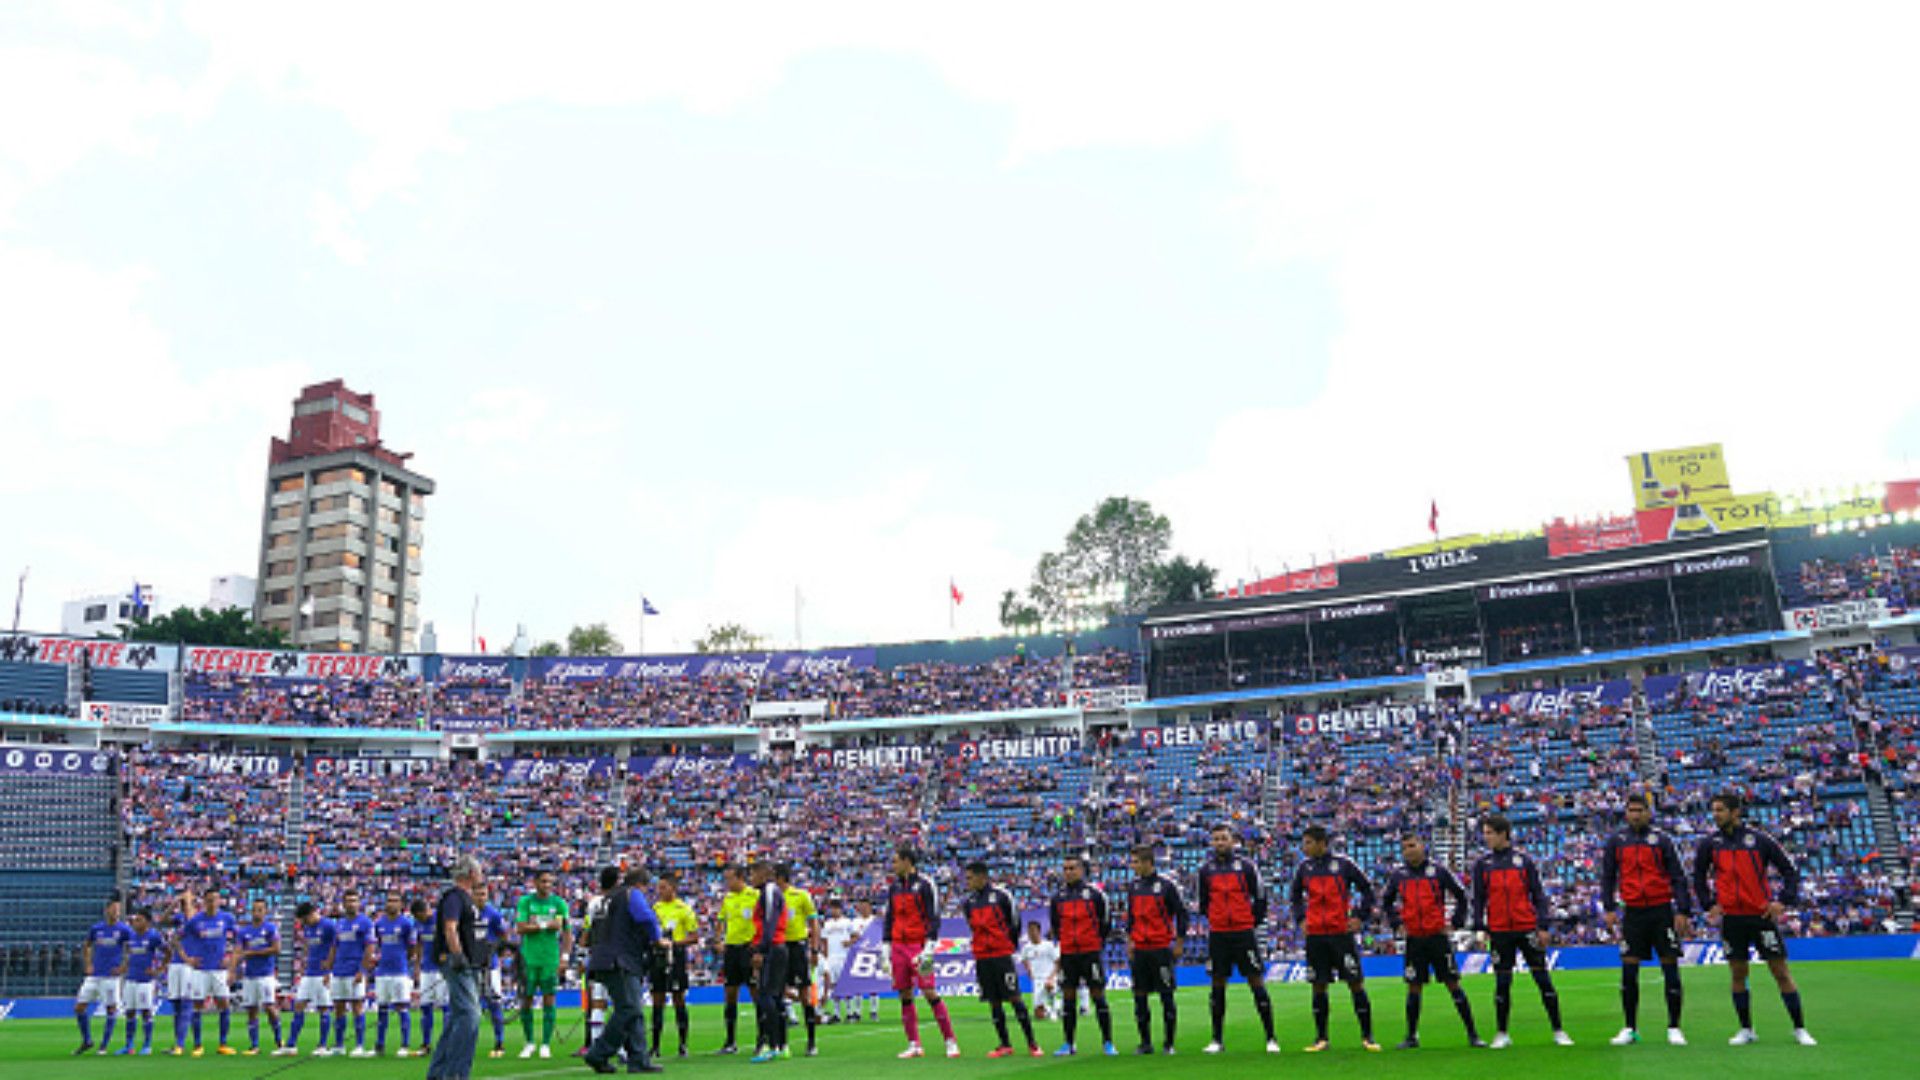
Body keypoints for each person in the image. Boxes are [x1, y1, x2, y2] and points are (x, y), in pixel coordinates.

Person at [1692, 791, 1817, 1046]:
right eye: (1714, 810)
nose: (1715, 815)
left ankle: (1799, 1028)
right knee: (1738, 973)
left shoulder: (1760, 840)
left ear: (1735, 812)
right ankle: (1746, 1029)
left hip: (1761, 917)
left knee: (1780, 972)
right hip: (1732, 920)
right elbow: (1697, 877)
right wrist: (1708, 904)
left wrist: (1782, 901)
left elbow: (1790, 872)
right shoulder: (1710, 844)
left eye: (1720, 810)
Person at [1600, 792, 1694, 1047]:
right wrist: (1608, 907)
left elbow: (1678, 877)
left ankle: (1674, 1027)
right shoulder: (1617, 841)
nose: (1636, 814)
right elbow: (1607, 877)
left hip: (1661, 911)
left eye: (1640, 810)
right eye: (1631, 810)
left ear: (1648, 812)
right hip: (1633, 913)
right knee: (1629, 971)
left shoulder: (1662, 840)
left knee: (1670, 968)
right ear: (1626, 813)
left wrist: (1683, 910)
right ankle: (1630, 1028)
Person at [1470, 815, 1571, 1048]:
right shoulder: (1482, 865)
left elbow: (1538, 895)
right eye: (1484, 833)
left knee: (1543, 980)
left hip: (1526, 927)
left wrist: (1543, 926)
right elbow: (1478, 899)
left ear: (1503, 833)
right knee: (1502, 983)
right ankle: (1502, 1033)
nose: (1485, 838)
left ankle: (1558, 1030)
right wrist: (1480, 926)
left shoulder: (1524, 861)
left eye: (1489, 833)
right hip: (1499, 930)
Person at [1380, 834, 1483, 1049]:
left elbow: (1462, 896)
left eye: (1412, 845)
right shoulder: (1399, 875)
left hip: (1437, 937)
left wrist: (1455, 922)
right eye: (1405, 847)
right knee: (1414, 986)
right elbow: (1387, 902)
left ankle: (1473, 1034)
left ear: (1422, 846)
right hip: (1414, 939)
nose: (1409, 850)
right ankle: (1411, 1036)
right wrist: (1396, 922)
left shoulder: (1438, 871)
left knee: (1453, 983)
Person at [1290, 825, 1380, 1053]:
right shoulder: (1304, 868)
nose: (1304, 847)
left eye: (1308, 842)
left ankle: (1367, 1037)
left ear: (1322, 843)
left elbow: (1368, 890)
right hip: (1316, 936)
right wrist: (1301, 919)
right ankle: (1321, 1038)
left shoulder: (1343, 864)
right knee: (1318, 986)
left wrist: (1360, 916)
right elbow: (1295, 897)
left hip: (1341, 934)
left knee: (1355, 983)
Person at [1196, 823, 1280, 1054]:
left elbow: (1261, 897)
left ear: (1233, 841)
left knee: (1256, 981)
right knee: (1217, 984)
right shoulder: (1206, 870)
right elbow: (1203, 903)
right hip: (1219, 935)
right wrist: (1217, 919)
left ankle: (1271, 1038)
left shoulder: (1246, 866)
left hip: (1244, 933)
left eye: (1224, 838)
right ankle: (1216, 1040)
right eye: (1216, 839)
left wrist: (1251, 921)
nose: (1220, 842)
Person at [582, 866, 664, 1075]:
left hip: (605, 959)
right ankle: (598, 1053)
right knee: (629, 1009)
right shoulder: (631, 894)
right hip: (620, 961)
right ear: (640, 884)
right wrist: (658, 938)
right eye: (647, 888)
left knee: (633, 1009)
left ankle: (638, 1059)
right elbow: (646, 917)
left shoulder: (610, 898)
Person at [883, 846, 959, 1059]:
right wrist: (885, 947)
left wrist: (929, 947)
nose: (893, 865)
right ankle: (914, 1043)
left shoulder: (926, 884)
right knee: (904, 994)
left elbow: (934, 917)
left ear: (907, 861)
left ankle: (950, 1040)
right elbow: (890, 918)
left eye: (896, 861)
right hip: (898, 945)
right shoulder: (894, 886)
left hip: (919, 945)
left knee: (929, 992)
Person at [962, 862, 1041, 1059]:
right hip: (982, 956)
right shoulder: (968, 902)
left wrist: (1007, 946)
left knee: (1014, 998)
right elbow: (971, 926)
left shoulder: (1001, 896)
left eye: (970, 877)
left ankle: (1032, 1043)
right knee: (993, 1001)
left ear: (982, 877)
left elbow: (1015, 923)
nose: (967, 881)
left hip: (1001, 955)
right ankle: (1005, 1044)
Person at [1125, 845, 1188, 1056]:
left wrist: (1179, 943)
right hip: (1140, 950)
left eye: (1135, 862)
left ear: (1147, 863)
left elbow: (1182, 914)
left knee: (1166, 996)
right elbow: (1131, 918)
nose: (1132, 866)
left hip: (1161, 948)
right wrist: (1129, 942)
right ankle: (1145, 1043)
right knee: (1139, 997)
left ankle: (1169, 1044)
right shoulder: (1133, 888)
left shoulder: (1166, 886)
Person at [1050, 854, 1116, 1056]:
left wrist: (1095, 943)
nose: (1068, 872)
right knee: (1068, 998)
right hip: (1068, 954)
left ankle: (1107, 1042)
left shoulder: (1095, 894)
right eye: (1065, 868)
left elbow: (1106, 923)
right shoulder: (1058, 897)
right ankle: (1068, 1043)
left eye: (1072, 868)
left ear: (1081, 870)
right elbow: (1055, 925)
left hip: (1090, 953)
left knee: (1098, 996)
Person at [427, 855, 485, 1080]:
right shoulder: (455, 898)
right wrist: (458, 954)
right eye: (479, 871)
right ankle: (457, 1072)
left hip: (465, 962)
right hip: (458, 964)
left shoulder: (464, 899)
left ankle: (439, 1072)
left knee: (457, 1018)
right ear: (471, 874)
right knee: (470, 1015)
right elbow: (450, 928)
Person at [514, 870, 572, 1059]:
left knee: (549, 999)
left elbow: (566, 932)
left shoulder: (559, 903)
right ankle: (529, 1042)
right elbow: (521, 928)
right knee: (526, 1000)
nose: (547, 885)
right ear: (536, 882)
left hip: (550, 958)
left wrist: (564, 958)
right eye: (544, 881)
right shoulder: (526, 902)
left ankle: (545, 1044)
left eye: (550, 882)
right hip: (528, 959)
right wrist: (546, 925)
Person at [185, 888, 239, 1056]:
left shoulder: (227, 918)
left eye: (215, 899)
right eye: (209, 900)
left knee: (224, 1004)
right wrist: (188, 958)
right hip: (200, 969)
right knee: (198, 1005)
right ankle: (197, 1045)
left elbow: (239, 940)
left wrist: (230, 959)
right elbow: (178, 939)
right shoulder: (195, 921)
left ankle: (222, 1043)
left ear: (219, 901)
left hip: (219, 969)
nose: (212, 903)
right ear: (204, 902)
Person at [776, 864, 822, 1057]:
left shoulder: (801, 896)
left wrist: (814, 948)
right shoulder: (772, 898)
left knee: (804, 994)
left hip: (797, 947)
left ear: (781, 878)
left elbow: (813, 922)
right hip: (778, 948)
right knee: (778, 993)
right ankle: (782, 1042)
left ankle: (811, 1041)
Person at [650, 872, 697, 1059]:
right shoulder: (655, 908)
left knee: (679, 999)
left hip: (676, 956)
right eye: (659, 887)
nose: (660, 891)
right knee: (657, 1000)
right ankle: (655, 1046)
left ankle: (683, 1044)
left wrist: (675, 943)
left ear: (673, 888)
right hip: (658, 956)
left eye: (664, 887)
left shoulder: (684, 909)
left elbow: (694, 936)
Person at [75, 898, 131, 1055]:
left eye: (118, 909)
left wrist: (124, 967)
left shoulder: (124, 930)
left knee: (111, 1009)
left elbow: (133, 947)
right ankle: (87, 1040)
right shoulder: (97, 928)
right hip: (95, 975)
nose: (116, 912)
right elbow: (86, 945)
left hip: (111, 976)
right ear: (107, 910)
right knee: (79, 1007)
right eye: (114, 909)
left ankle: (104, 1045)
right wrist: (88, 964)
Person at [748, 860, 790, 1064]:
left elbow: (770, 922)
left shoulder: (770, 891)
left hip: (773, 948)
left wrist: (761, 950)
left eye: (753, 874)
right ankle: (781, 1045)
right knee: (775, 996)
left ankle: (772, 1045)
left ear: (764, 873)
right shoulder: (768, 892)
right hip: (776, 948)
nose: (751, 879)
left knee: (766, 996)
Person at [715, 864, 758, 1054]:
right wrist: (718, 940)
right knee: (730, 994)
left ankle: (762, 1038)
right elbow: (721, 920)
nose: (727, 883)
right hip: (731, 950)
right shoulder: (728, 898)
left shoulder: (755, 896)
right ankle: (730, 1041)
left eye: (730, 878)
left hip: (749, 949)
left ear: (741, 877)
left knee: (756, 993)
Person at [329, 889, 376, 1057]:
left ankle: (359, 1045)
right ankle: (339, 1045)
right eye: (348, 900)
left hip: (355, 970)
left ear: (359, 903)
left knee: (357, 1006)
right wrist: (329, 967)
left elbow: (370, 947)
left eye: (354, 900)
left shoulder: (365, 923)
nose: (351, 903)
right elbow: (335, 947)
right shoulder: (340, 924)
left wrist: (363, 970)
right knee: (339, 1008)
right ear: (343, 903)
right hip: (339, 970)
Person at [235, 898, 285, 1055]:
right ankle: (254, 1045)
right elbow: (238, 950)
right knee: (251, 1010)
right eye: (254, 909)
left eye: (260, 909)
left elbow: (277, 949)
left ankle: (279, 1040)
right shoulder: (244, 932)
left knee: (269, 1007)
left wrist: (253, 953)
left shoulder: (270, 928)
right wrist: (234, 966)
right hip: (249, 975)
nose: (257, 912)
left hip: (265, 975)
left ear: (265, 911)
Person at [373, 892, 420, 1056]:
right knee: (382, 1008)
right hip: (382, 971)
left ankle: (405, 1044)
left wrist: (404, 960)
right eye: (389, 901)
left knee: (402, 1007)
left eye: (395, 901)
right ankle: (379, 1044)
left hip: (400, 971)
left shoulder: (407, 924)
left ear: (401, 904)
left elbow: (412, 947)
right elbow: (378, 944)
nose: (391, 904)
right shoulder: (379, 923)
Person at [287, 902, 336, 1056]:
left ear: (310, 914)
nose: (303, 923)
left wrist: (330, 969)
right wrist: (304, 961)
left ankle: (322, 1045)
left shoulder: (329, 926)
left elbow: (337, 947)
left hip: (324, 973)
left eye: (303, 919)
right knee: (299, 1004)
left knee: (323, 1008)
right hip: (309, 972)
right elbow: (308, 945)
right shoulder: (308, 928)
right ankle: (291, 1045)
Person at [472, 882, 513, 1058]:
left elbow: (505, 935)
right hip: (471, 965)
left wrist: (498, 952)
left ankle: (499, 1041)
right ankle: (468, 1042)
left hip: (491, 966)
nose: (480, 898)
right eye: (477, 894)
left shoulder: (494, 914)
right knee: (471, 1005)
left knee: (494, 1002)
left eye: (483, 894)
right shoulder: (467, 914)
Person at [119, 909, 167, 1055]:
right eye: (134, 919)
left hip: (145, 980)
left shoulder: (153, 936)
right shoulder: (131, 936)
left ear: (146, 921)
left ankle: (147, 1044)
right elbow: (129, 953)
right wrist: (125, 967)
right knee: (130, 1012)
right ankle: (129, 1045)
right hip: (131, 978)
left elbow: (168, 952)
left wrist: (159, 969)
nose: (135, 922)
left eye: (139, 920)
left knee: (146, 1012)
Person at [163, 892, 198, 1055]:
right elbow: (163, 920)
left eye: (187, 902)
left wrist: (189, 901)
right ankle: (178, 1043)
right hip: (175, 964)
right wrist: (174, 903)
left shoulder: (197, 919)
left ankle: (181, 1043)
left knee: (186, 1002)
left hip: (188, 965)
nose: (184, 905)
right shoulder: (179, 919)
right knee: (176, 1004)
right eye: (183, 903)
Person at [412, 899, 446, 1058]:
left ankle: (448, 1043)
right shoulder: (418, 924)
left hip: (442, 969)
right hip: (426, 968)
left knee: (446, 1007)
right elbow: (419, 944)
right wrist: (417, 966)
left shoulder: (442, 919)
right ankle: (426, 1043)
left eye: (420, 917)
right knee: (425, 1006)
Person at [817, 898, 858, 1024]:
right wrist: (825, 956)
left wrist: (849, 942)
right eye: (832, 908)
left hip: (843, 957)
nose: (834, 910)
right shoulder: (827, 924)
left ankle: (850, 1012)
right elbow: (823, 941)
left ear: (841, 909)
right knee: (833, 986)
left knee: (845, 985)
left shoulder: (847, 922)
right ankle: (837, 1013)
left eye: (836, 908)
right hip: (831, 958)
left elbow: (856, 936)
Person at [1017, 922, 1061, 1022]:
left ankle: (1054, 1009)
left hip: (1049, 978)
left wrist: (1052, 977)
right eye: (1029, 931)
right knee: (1039, 1014)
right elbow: (1024, 959)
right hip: (1037, 980)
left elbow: (1058, 962)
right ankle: (1057, 1007)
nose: (1031, 933)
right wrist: (1029, 970)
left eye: (1033, 930)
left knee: (1049, 986)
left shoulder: (1048, 946)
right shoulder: (1027, 948)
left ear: (1039, 931)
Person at [850, 898, 880, 1022]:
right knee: (858, 985)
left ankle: (874, 1011)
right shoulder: (855, 921)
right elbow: (854, 936)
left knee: (873, 985)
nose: (863, 908)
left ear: (870, 907)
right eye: (861, 906)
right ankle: (857, 1012)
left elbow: (878, 936)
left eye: (866, 906)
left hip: (873, 953)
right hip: (858, 954)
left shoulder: (876, 921)